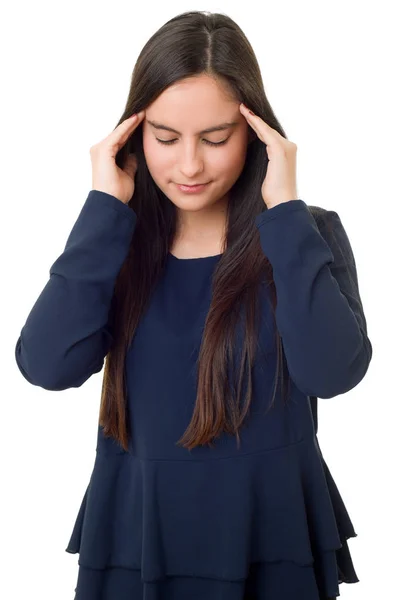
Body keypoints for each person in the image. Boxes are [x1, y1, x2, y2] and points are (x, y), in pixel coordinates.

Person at [14, 10, 373, 600]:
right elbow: (47, 366)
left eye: (214, 138)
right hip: (138, 538)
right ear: (131, 135)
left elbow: (331, 373)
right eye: (164, 138)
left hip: (271, 538)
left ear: (257, 133)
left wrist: (284, 211)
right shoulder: (113, 242)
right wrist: (105, 207)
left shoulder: (303, 235)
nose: (189, 165)